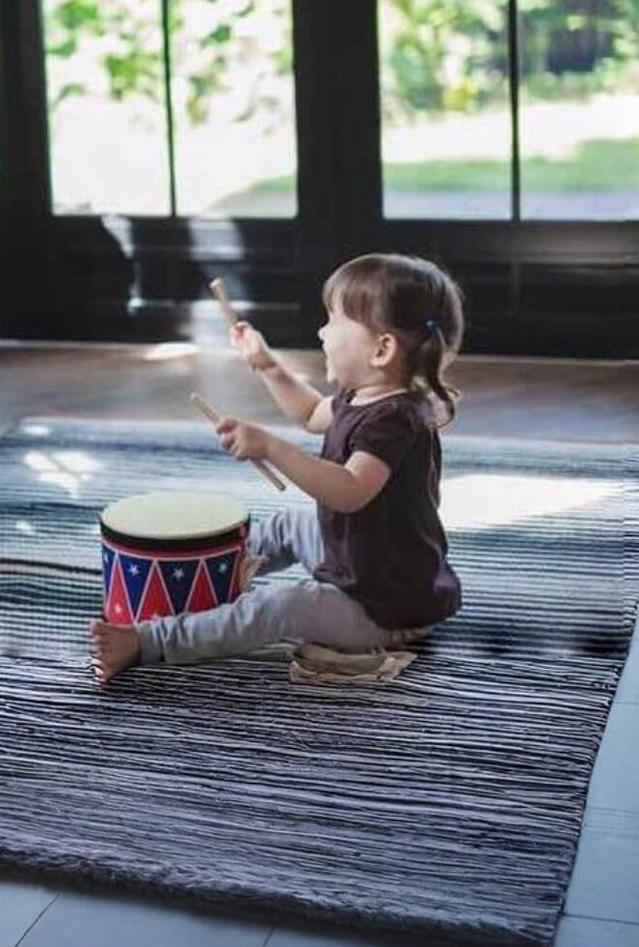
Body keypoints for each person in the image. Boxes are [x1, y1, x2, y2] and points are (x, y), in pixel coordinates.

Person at [90, 252, 464, 682]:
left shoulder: (395, 419)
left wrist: (270, 446)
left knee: (280, 606)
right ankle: (205, 582)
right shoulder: (360, 397)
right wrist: (265, 363)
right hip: (359, 559)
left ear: (382, 349)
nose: (322, 331)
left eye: (333, 320)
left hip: (383, 606)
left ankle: (151, 641)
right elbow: (309, 414)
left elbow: (348, 489)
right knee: (288, 525)